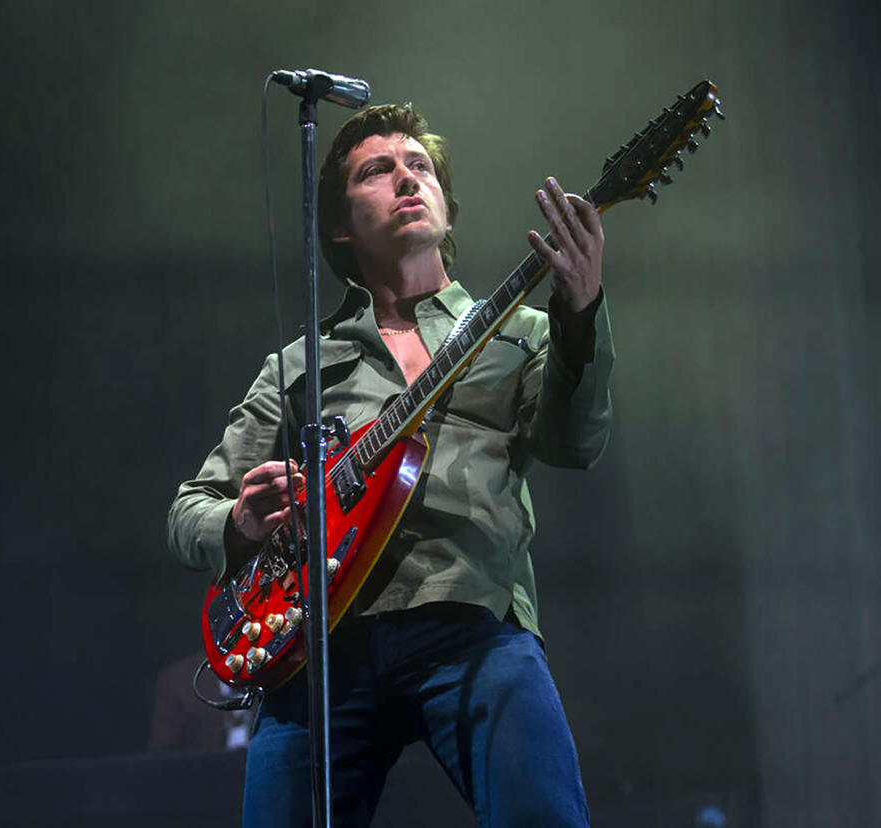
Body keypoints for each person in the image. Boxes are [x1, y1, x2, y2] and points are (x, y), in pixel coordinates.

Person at [168, 103, 613, 827]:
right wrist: (242, 522)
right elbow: (188, 511)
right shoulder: (298, 366)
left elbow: (576, 444)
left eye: (420, 166)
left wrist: (582, 313)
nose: (407, 179)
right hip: (319, 650)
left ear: (445, 203)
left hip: (471, 622)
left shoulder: (524, 330)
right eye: (379, 171)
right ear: (341, 227)